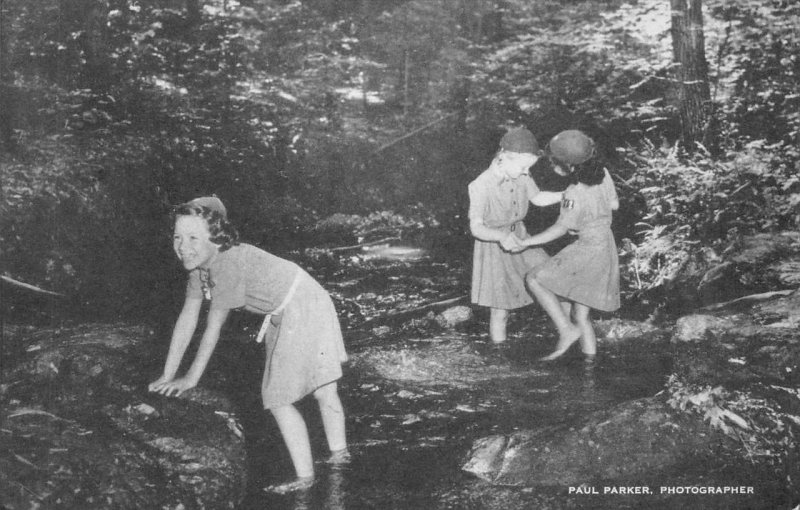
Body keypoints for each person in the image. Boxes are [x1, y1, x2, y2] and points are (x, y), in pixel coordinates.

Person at [148, 196, 349, 494]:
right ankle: (340, 459)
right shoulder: (198, 269)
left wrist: (190, 379)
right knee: (323, 390)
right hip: (297, 300)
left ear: (216, 238)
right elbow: (187, 320)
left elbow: (212, 330)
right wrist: (167, 374)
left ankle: (307, 479)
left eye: (193, 237)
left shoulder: (227, 264)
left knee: (280, 398)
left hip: (302, 302)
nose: (182, 246)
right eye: (177, 236)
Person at [515, 130, 620, 360]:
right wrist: (590, 218)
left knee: (534, 278)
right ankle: (590, 363)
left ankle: (566, 330)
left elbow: (559, 230)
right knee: (582, 314)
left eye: (553, 161)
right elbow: (613, 204)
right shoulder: (604, 174)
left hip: (588, 249)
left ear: (566, 166)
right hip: (606, 246)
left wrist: (526, 242)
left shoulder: (573, 193)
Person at [468, 127, 564, 343]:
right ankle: (499, 358)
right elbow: (476, 227)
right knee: (501, 311)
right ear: (503, 157)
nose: (524, 172)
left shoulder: (520, 172)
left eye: (527, 168)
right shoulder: (480, 185)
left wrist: (566, 195)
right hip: (494, 246)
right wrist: (500, 237)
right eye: (522, 167)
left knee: (554, 279)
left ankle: (570, 332)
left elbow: (538, 198)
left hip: (522, 238)